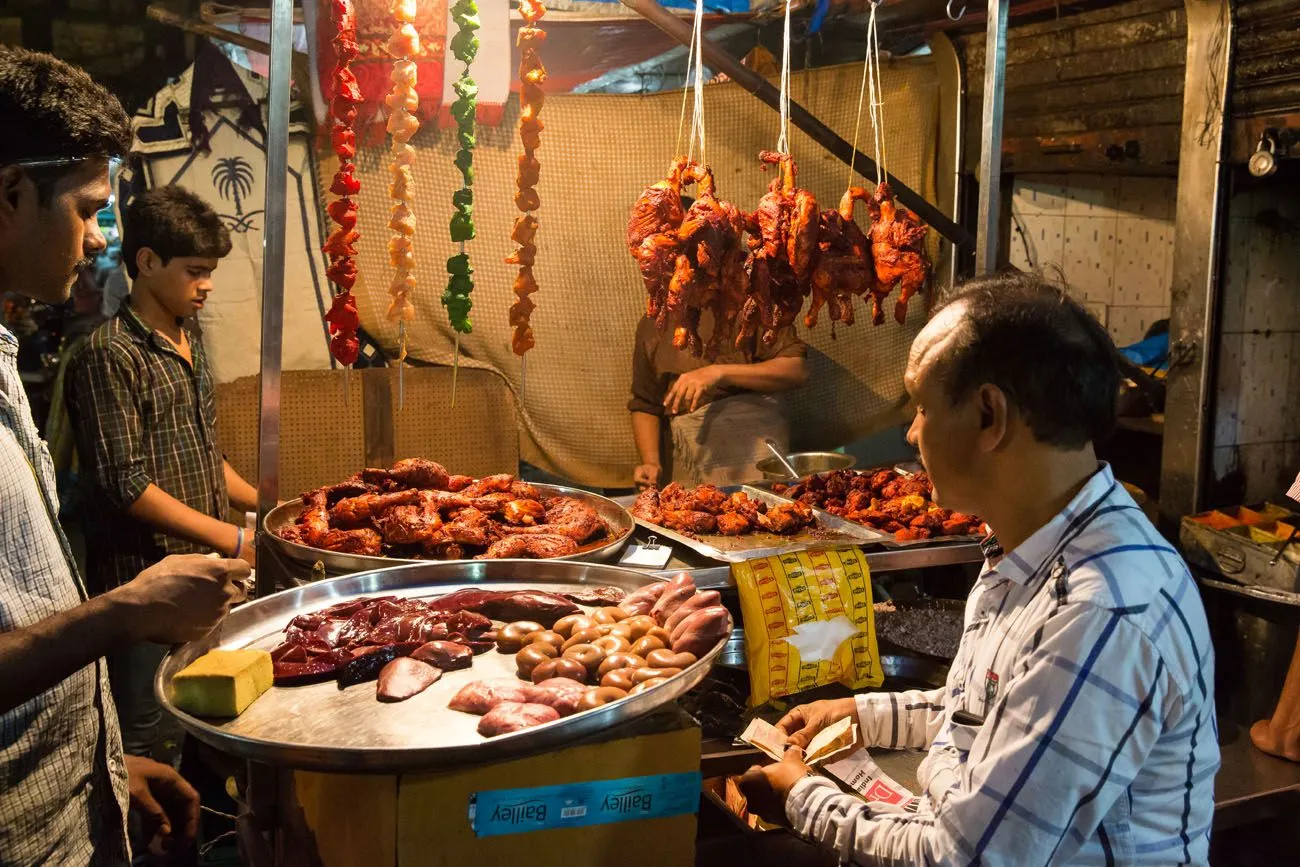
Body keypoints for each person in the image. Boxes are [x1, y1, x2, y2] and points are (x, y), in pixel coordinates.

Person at [739, 274, 1219, 865]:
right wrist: (861, 714)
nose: (912, 433)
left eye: (921, 407)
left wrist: (800, 798)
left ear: (990, 415)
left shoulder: (1099, 611)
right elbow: (990, 711)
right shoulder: (1027, 552)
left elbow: (969, 857)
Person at [0, 46, 247, 864]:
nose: (102, 234)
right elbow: (124, 482)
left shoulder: (7, 356)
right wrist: (126, 609)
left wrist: (106, 761)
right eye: (89, 207)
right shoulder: (107, 353)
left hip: (72, 805)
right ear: (11, 194)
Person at [66, 185, 258, 760]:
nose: (208, 285)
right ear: (146, 263)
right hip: (144, 585)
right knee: (149, 738)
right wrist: (236, 537)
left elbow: (204, 452)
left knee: (209, 725)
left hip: (207, 576)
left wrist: (271, 510)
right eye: (195, 271)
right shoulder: (109, 354)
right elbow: (123, 482)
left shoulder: (187, 338)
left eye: (211, 271)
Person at [628, 313, 808, 487]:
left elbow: (796, 371)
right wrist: (651, 462)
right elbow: (645, 404)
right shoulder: (656, 322)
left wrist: (718, 373)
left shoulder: (752, 306)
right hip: (695, 451)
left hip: (759, 440)